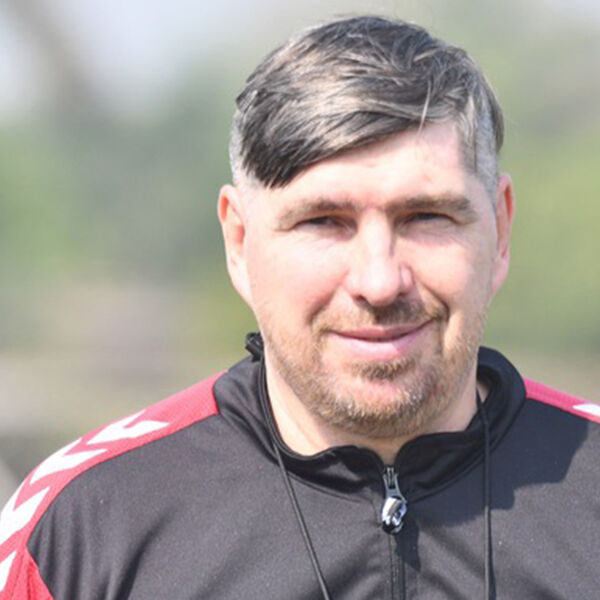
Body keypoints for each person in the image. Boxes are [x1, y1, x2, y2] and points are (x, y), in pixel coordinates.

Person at [1, 15, 598, 600]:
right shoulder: (77, 533)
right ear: (239, 241)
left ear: (500, 229)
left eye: (426, 217)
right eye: (323, 222)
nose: (379, 281)